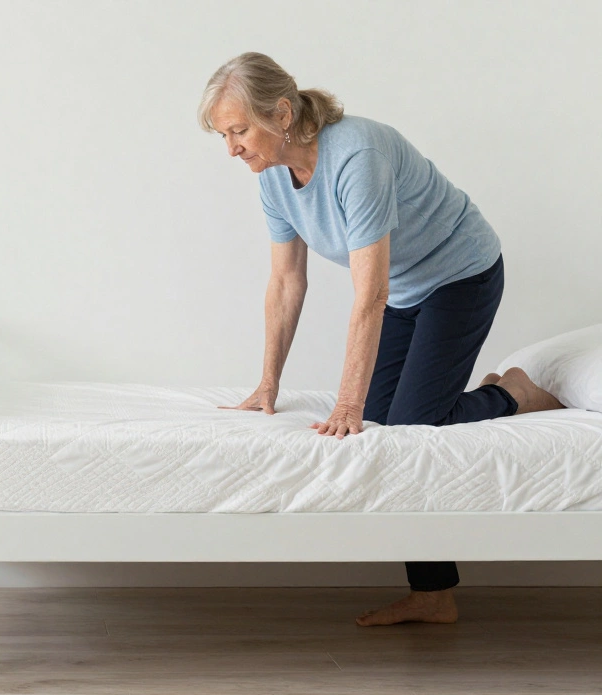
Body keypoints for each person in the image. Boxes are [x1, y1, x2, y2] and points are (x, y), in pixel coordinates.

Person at [199, 52, 563, 626]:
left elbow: (368, 295)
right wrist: (268, 383)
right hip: (404, 290)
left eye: (239, 130)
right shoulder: (274, 180)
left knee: (413, 429)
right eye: (224, 135)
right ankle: (434, 598)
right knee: (384, 426)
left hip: (460, 275)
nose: (232, 149)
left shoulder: (357, 155)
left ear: (283, 113)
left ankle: (513, 393)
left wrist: (348, 404)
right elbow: (287, 282)